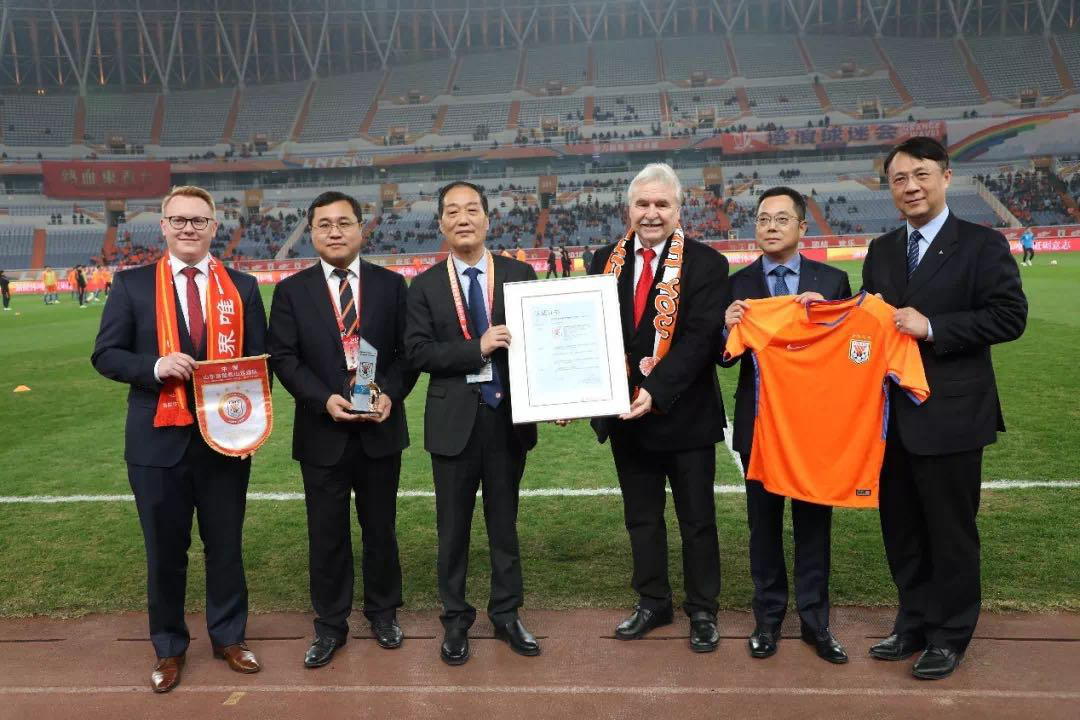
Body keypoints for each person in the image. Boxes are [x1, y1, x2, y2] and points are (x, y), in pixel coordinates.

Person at [91, 185, 267, 693]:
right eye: (179, 220)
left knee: (226, 547)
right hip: (155, 442)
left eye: (198, 220)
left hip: (224, 441)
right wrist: (154, 366)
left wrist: (246, 419)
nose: (189, 228)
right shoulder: (132, 285)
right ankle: (169, 648)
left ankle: (230, 638)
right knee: (165, 553)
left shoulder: (242, 287)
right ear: (164, 227)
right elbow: (105, 355)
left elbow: (261, 363)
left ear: (214, 227)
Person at [863, 137, 1027, 680]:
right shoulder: (882, 250)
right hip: (891, 419)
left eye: (920, 175)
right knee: (901, 529)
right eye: (899, 179)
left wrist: (932, 327)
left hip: (952, 416)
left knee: (951, 532)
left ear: (946, 176)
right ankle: (912, 622)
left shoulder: (981, 244)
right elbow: (870, 322)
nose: (910, 186)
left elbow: (1010, 317)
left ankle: (950, 635)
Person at [267, 191, 418, 669]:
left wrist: (391, 394)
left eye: (344, 222)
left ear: (360, 229)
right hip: (321, 432)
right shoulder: (291, 291)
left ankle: (383, 613)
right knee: (326, 533)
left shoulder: (392, 285)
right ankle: (330, 624)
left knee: (381, 529)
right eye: (324, 224)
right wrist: (322, 399)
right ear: (311, 233)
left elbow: (407, 354)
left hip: (379, 429)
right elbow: (284, 358)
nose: (335, 232)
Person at [588, 163, 729, 653]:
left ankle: (703, 609)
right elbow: (588, 334)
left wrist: (656, 389)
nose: (651, 213)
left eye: (662, 204)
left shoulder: (707, 264)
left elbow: (700, 340)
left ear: (678, 210)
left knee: (698, 519)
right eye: (642, 204)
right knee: (641, 518)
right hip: (626, 418)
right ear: (628, 209)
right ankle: (653, 601)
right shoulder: (603, 260)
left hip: (686, 416)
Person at [405, 181, 541, 666]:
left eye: (471, 210)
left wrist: (553, 396)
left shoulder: (519, 274)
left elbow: (541, 343)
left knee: (505, 525)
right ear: (441, 224)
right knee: (452, 530)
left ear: (487, 218)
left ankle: (506, 613)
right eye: (452, 212)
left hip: (507, 420)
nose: (463, 219)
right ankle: (455, 619)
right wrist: (475, 348)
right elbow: (418, 352)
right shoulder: (423, 286)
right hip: (453, 423)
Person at [720, 186, 852, 664]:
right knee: (764, 526)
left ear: (802, 226)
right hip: (759, 424)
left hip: (813, 425)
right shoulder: (736, 285)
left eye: (781, 219)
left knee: (814, 525)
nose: (770, 227)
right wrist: (726, 326)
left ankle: (817, 623)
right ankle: (768, 619)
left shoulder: (832, 281)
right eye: (762, 219)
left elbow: (850, 353)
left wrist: (829, 321)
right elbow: (723, 358)